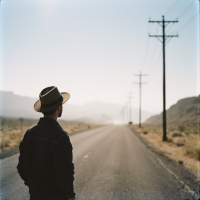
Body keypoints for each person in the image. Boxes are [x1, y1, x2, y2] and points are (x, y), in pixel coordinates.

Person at [17, 86, 75, 200]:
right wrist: (70, 196)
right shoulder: (61, 136)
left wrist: (33, 186)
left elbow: (21, 167)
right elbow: (64, 174)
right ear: (59, 107)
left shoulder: (29, 133)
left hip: (34, 195)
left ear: (42, 109)